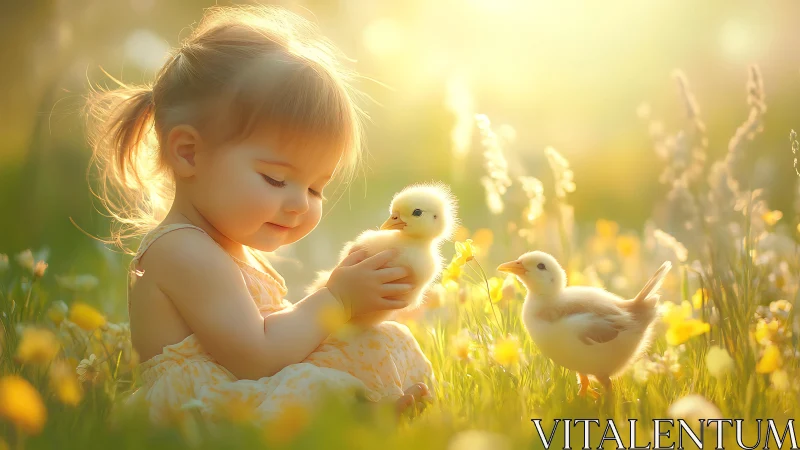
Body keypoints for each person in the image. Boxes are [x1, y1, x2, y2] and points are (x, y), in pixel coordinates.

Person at [85, 4, 433, 425]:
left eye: (315, 187)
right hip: (202, 410)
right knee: (311, 385)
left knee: (383, 339)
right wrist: (336, 298)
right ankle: (362, 418)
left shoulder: (225, 243)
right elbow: (258, 358)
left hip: (247, 385)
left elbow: (283, 342)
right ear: (189, 153)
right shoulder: (181, 250)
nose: (301, 203)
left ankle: (370, 410)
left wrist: (358, 309)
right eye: (274, 179)